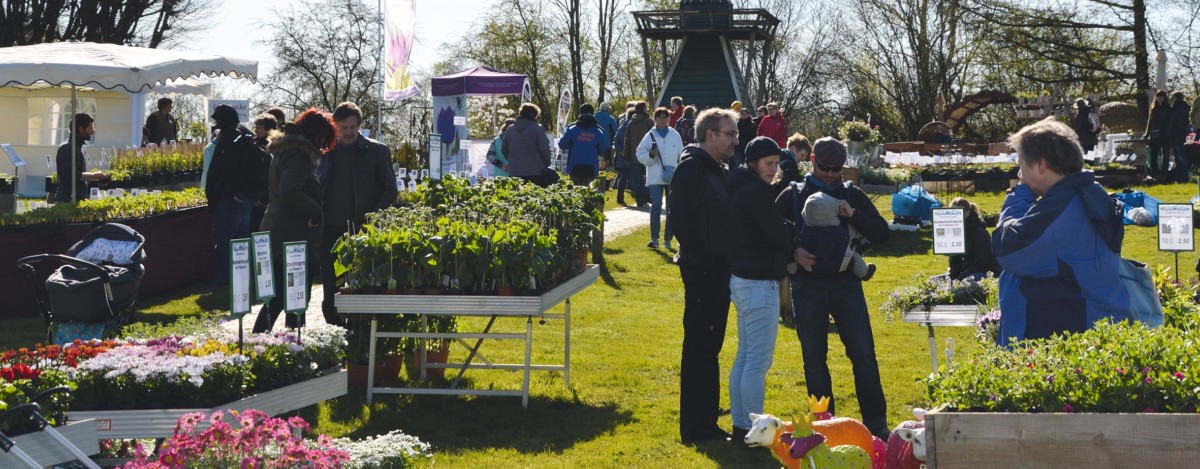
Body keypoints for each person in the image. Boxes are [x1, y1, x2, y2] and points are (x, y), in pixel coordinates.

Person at [774, 137, 891, 440]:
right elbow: (769, 235)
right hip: (806, 286)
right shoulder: (793, 194)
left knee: (864, 355)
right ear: (811, 160)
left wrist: (854, 215)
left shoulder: (852, 194)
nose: (829, 174)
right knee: (814, 360)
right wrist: (793, 254)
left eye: (836, 169)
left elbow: (881, 234)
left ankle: (876, 425)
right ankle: (825, 427)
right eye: (825, 168)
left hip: (846, 285)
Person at [991, 118, 1131, 348]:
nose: (1020, 172)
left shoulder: (1062, 208)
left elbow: (1007, 247)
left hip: (1065, 338)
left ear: (1041, 165)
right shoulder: (1088, 194)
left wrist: (1020, 195)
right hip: (1094, 329)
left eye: (1022, 164)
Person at [668, 108, 741, 443]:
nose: (735, 141)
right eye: (731, 134)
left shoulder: (715, 169)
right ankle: (697, 427)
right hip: (702, 271)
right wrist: (707, 259)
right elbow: (681, 221)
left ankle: (706, 419)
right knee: (700, 347)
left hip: (715, 269)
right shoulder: (692, 169)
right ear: (710, 134)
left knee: (709, 346)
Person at [725, 136, 790, 443]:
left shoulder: (742, 187)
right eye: (768, 163)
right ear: (753, 163)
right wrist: (793, 231)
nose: (773, 169)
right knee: (757, 361)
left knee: (745, 357)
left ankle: (741, 426)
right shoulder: (754, 192)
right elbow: (776, 234)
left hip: (743, 279)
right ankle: (753, 432)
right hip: (757, 281)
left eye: (776, 163)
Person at [252, 109, 335, 333]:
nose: (322, 145)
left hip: (279, 229)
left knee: (280, 296)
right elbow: (290, 190)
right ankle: (292, 346)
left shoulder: (285, 150)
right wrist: (315, 212)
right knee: (294, 296)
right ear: (316, 135)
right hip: (292, 234)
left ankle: (265, 341)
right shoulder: (298, 155)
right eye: (322, 139)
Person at [317, 101, 398, 326]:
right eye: (344, 128)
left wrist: (371, 218)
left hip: (361, 229)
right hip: (330, 229)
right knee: (331, 284)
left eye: (353, 127)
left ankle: (359, 329)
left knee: (362, 283)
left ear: (359, 126)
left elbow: (390, 189)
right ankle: (333, 329)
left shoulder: (376, 151)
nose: (349, 132)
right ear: (335, 127)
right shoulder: (325, 153)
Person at [206, 104, 258, 285]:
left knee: (225, 239)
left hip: (231, 197)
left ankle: (224, 279)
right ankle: (241, 278)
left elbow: (228, 166)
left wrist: (231, 191)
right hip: (247, 196)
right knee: (241, 239)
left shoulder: (230, 136)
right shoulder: (246, 133)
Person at [798, 192, 876, 280]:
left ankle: (791, 269)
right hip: (842, 263)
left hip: (810, 265)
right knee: (854, 257)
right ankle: (864, 272)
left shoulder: (804, 228)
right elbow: (857, 232)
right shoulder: (841, 228)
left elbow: (797, 238)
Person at [636, 107, 684, 249]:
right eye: (660, 117)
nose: (663, 119)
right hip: (655, 177)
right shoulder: (649, 135)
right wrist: (651, 155)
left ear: (669, 119)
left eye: (666, 117)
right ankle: (654, 238)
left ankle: (668, 239)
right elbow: (639, 154)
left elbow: (681, 155)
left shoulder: (675, 135)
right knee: (656, 206)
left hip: (672, 177)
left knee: (671, 209)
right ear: (655, 119)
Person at [54, 113, 107, 203]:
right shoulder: (67, 148)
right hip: (67, 201)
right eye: (90, 128)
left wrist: (94, 180)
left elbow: (78, 178)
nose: (92, 131)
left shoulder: (79, 148)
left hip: (76, 199)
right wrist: (94, 176)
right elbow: (70, 174)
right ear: (80, 129)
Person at [945, 197, 1001, 281]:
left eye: (957, 213)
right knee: (935, 280)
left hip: (987, 273)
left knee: (966, 282)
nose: (954, 217)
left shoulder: (979, 233)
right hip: (968, 271)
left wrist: (960, 278)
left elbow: (981, 263)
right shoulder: (957, 232)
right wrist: (952, 279)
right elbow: (956, 261)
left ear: (967, 213)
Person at [502, 102, 554, 187]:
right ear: (534, 115)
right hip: (535, 172)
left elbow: (504, 149)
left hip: (514, 171)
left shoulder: (510, 129)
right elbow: (544, 149)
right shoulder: (538, 128)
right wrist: (546, 163)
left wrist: (513, 160)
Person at [558, 103, 610, 186]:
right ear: (593, 114)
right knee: (588, 193)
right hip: (591, 167)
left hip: (574, 166)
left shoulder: (571, 129)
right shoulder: (599, 131)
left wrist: (573, 145)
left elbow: (562, 145)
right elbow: (601, 150)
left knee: (575, 194)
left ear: (580, 113)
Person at [249, 113, 278, 232]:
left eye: (259, 128)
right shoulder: (253, 143)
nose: (256, 130)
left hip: (266, 195)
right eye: (255, 127)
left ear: (268, 129)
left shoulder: (273, 146)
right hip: (256, 194)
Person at [624, 101, 654, 207]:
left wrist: (626, 154)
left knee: (637, 178)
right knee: (648, 176)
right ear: (643, 109)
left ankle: (639, 200)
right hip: (647, 154)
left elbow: (627, 140)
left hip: (634, 155)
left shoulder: (631, 123)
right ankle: (645, 194)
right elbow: (654, 138)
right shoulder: (649, 122)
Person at [613, 103, 637, 205]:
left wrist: (620, 151)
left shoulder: (622, 127)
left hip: (622, 156)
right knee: (636, 178)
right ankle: (639, 198)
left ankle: (620, 197)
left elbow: (616, 140)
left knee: (622, 178)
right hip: (632, 156)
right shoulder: (635, 127)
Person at [1144, 90, 1170, 181]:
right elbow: (1149, 122)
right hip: (1155, 134)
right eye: (1158, 96)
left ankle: (1164, 174)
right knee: (1153, 155)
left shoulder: (1168, 108)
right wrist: (1147, 134)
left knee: (1166, 156)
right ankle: (1154, 174)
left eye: (1161, 96)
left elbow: (1170, 122)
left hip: (1165, 134)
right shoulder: (1153, 108)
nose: (1159, 98)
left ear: (1164, 98)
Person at [1167, 90, 1193, 183]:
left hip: (1178, 135)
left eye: (1172, 98)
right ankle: (1181, 177)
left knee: (1181, 157)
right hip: (1179, 135)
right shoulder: (1183, 107)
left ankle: (1186, 176)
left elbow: (1176, 123)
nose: (1171, 100)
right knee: (1179, 157)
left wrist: (1172, 134)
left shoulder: (1179, 108)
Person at [595, 102, 620, 167]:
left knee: (596, 161)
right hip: (607, 143)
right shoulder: (611, 119)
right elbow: (616, 131)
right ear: (607, 109)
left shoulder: (594, 116)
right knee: (608, 162)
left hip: (595, 142)